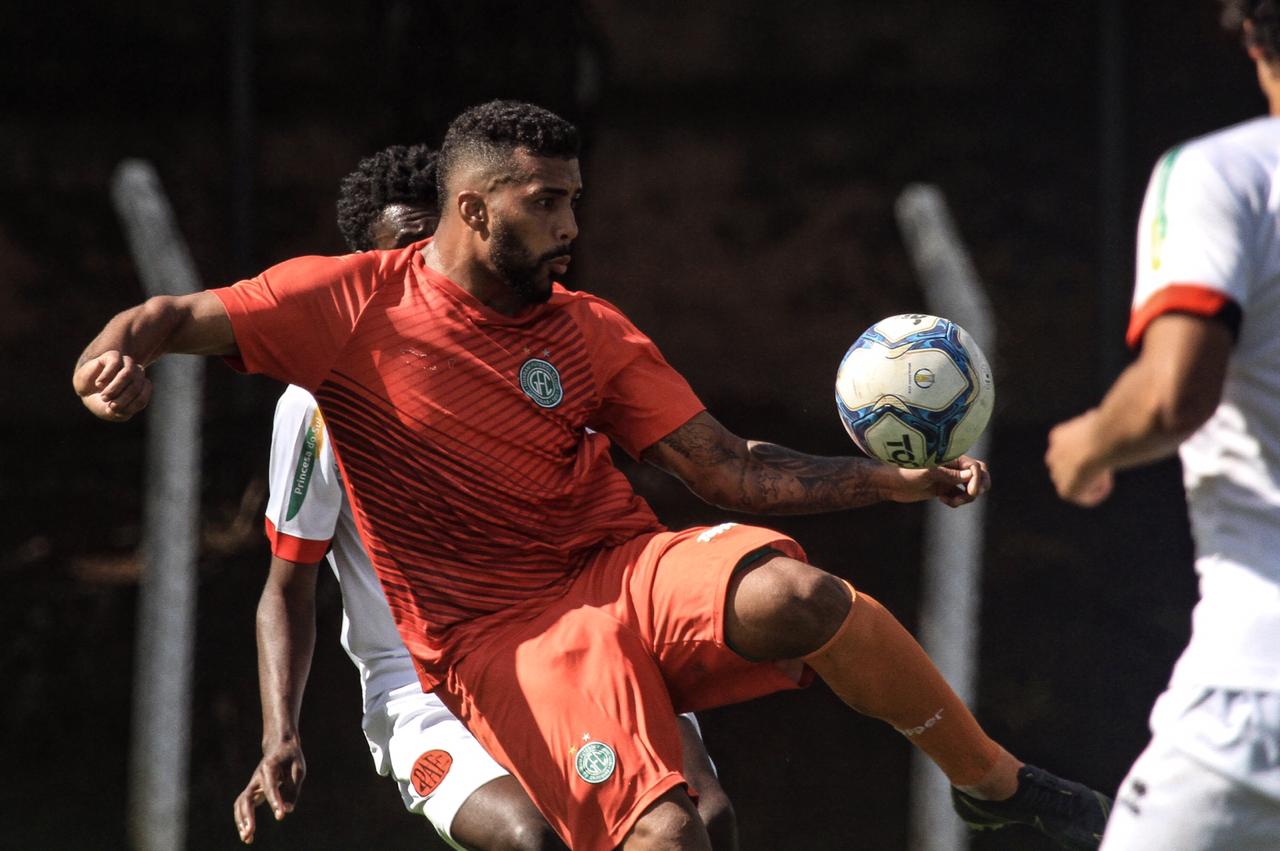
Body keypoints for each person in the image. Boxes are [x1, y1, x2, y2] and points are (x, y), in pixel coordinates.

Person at [76, 99, 1111, 850]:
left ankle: (993, 786)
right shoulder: (346, 308)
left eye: (575, 199)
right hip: (499, 635)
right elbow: (178, 314)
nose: (571, 225)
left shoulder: (589, 328)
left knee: (802, 595)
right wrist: (117, 350)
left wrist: (883, 484)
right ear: (474, 209)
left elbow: (728, 467)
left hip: (619, 570)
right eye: (547, 203)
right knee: (664, 834)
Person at [232, 145, 737, 850]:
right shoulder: (320, 400)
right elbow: (289, 582)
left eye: (434, 243)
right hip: (425, 692)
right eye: (401, 252)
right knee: (531, 837)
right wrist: (279, 732)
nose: (426, 270)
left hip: (575, 643)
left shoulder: (548, 348)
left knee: (703, 818)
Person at [1045, 4, 1280, 848]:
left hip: (1256, 705)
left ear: (1251, 34)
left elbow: (1174, 393)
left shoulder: (1228, 174)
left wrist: (1087, 446)